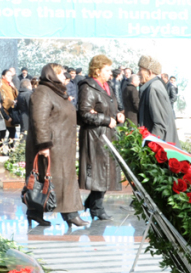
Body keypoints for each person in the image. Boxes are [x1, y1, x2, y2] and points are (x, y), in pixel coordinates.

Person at [24, 63, 88, 228]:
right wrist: (44, 144)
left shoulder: (57, 92)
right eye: (61, 74)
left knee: (58, 179)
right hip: (52, 147)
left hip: (62, 146)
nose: (64, 77)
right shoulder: (43, 93)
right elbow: (39, 120)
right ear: (51, 75)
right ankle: (70, 214)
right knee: (51, 180)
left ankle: (35, 212)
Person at [77, 54, 125, 220]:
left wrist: (118, 115)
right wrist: (106, 119)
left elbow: (111, 108)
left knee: (104, 171)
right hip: (95, 137)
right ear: (97, 71)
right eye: (107, 70)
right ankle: (96, 208)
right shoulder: (88, 87)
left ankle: (92, 204)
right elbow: (84, 113)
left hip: (105, 135)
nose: (110, 73)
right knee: (100, 172)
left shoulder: (106, 86)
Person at [137, 55, 179, 146]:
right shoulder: (154, 85)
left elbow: (160, 125)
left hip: (160, 149)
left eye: (140, 70)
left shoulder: (153, 88)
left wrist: (149, 149)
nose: (138, 73)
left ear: (149, 72)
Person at [0, 69, 18, 139]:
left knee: (12, 131)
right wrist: (12, 102)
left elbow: (16, 95)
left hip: (11, 109)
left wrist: (14, 87)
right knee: (5, 132)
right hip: (6, 110)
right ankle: (2, 147)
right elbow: (4, 98)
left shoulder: (10, 84)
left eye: (11, 76)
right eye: (8, 76)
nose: (10, 77)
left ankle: (10, 147)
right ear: (3, 76)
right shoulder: (1, 84)